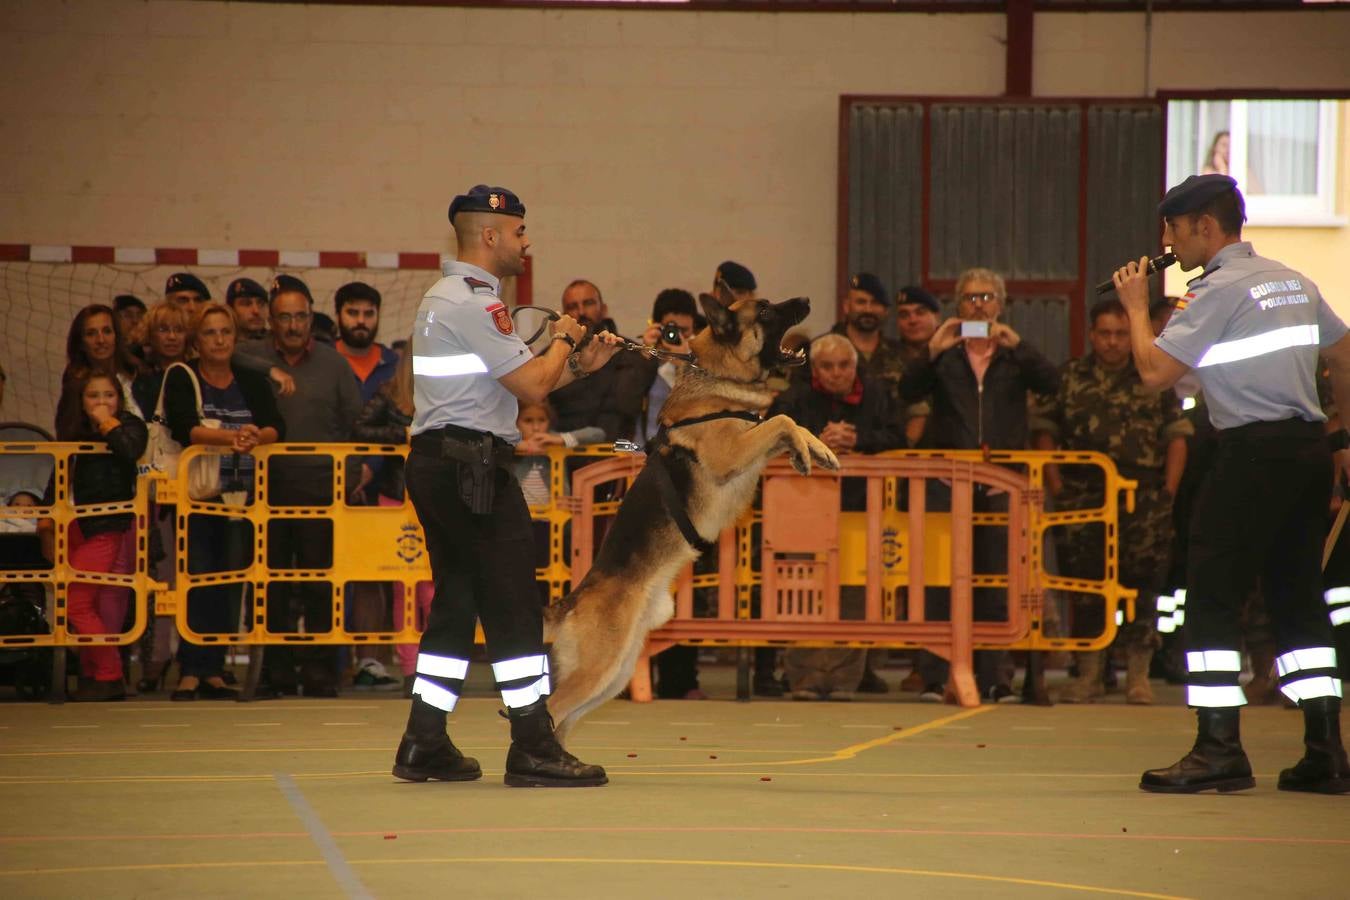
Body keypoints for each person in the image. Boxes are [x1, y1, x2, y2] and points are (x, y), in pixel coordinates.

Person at [1115, 173, 1350, 794]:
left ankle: (1218, 746)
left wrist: (1138, 307)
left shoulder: (1215, 292)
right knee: (1298, 596)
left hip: (1250, 455)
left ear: (1202, 226)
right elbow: (1346, 354)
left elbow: (1153, 372)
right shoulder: (1292, 280)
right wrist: (1343, 437)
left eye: (1171, 227)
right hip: (1306, 452)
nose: (1166, 240)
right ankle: (1326, 750)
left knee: (1213, 594)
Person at [392, 184, 621, 788]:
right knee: (514, 603)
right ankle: (534, 745)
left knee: (458, 603)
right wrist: (568, 338)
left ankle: (424, 740)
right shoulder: (476, 303)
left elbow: (521, 380)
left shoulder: (453, 298)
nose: (527, 241)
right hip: (470, 468)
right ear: (490, 235)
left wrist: (578, 366)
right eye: (520, 231)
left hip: (443, 462)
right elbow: (532, 390)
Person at [902, 267, 1060, 703]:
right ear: (957, 304)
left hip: (1000, 482)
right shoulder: (945, 356)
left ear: (1002, 304)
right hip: (947, 481)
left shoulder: (1013, 356)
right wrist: (931, 352)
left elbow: (1054, 385)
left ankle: (996, 678)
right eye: (970, 298)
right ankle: (934, 676)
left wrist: (1020, 347)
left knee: (996, 579)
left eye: (987, 298)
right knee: (939, 581)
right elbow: (906, 389)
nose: (978, 305)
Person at [1035, 298, 1192, 705]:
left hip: (1141, 500)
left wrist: (1167, 492)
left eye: (1121, 334)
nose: (1113, 342)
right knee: (1085, 587)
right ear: (1091, 334)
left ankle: (1136, 676)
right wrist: (1056, 485)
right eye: (1105, 333)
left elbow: (1177, 436)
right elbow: (1045, 432)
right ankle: (1089, 674)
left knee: (1143, 587)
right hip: (1083, 498)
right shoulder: (1069, 377)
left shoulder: (1153, 376)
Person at [236, 274, 363, 697]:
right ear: (270, 320)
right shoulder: (249, 356)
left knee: (321, 587)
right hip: (266, 494)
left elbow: (356, 423)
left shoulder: (334, 364)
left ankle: (321, 673)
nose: (293, 325)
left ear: (312, 317)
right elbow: (220, 355)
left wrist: (357, 472)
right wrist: (268, 367)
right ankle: (276, 673)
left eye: (301, 317)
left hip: (323, 493)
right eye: (284, 317)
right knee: (271, 586)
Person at [769, 333, 903, 700]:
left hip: (861, 508)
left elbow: (898, 436)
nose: (836, 373)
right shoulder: (793, 397)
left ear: (855, 367)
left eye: (843, 366)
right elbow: (771, 438)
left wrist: (859, 439)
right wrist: (815, 440)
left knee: (853, 594)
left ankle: (845, 680)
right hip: (803, 506)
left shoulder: (877, 394)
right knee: (802, 594)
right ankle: (804, 679)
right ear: (814, 369)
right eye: (827, 367)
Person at [162, 303, 283, 701]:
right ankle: (190, 669)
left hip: (243, 497)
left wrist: (253, 438)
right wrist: (233, 438)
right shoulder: (182, 376)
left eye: (225, 333)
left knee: (232, 581)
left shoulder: (249, 377)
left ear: (235, 338)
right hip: (197, 496)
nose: (219, 340)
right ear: (197, 340)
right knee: (198, 578)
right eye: (210, 333)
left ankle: (215, 668)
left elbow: (275, 426)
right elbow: (184, 428)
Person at [38, 371, 148, 701]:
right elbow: (61, 474)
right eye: (93, 397)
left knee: (77, 601)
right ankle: (92, 672)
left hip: (105, 525)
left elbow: (130, 451)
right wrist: (44, 516)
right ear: (81, 401)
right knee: (83, 602)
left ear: (119, 398)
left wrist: (107, 422)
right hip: (72, 524)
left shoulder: (129, 426)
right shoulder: (75, 431)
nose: (101, 402)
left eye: (108, 396)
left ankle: (110, 673)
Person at [350, 346, 428, 692]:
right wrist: (402, 436)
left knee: (433, 588)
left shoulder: (453, 394)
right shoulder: (389, 392)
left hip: (436, 497)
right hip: (395, 497)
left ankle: (439, 663)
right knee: (403, 587)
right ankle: (411, 667)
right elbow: (361, 428)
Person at [616, 288, 703, 450]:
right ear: (656, 326)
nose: (678, 336)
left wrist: (684, 365)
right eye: (671, 329)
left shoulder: (702, 362)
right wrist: (645, 356)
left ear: (694, 329)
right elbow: (625, 405)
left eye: (685, 331)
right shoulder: (642, 358)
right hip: (645, 454)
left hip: (689, 453)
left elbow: (704, 409)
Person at [548, 279, 627, 443]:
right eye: (572, 306)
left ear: (603, 309)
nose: (581, 311)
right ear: (565, 315)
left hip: (620, 456)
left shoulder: (628, 353)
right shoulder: (550, 359)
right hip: (560, 457)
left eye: (588, 303)